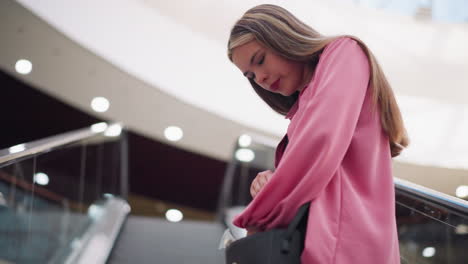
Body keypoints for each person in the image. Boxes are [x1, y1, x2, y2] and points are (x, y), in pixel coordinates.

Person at [227, 4, 409, 264]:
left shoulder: (344, 52)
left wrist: (258, 214)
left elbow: (320, 143)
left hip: (348, 243)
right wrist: (275, 181)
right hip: (321, 242)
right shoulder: (301, 108)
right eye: (251, 75)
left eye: (260, 60)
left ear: (282, 38)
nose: (261, 78)